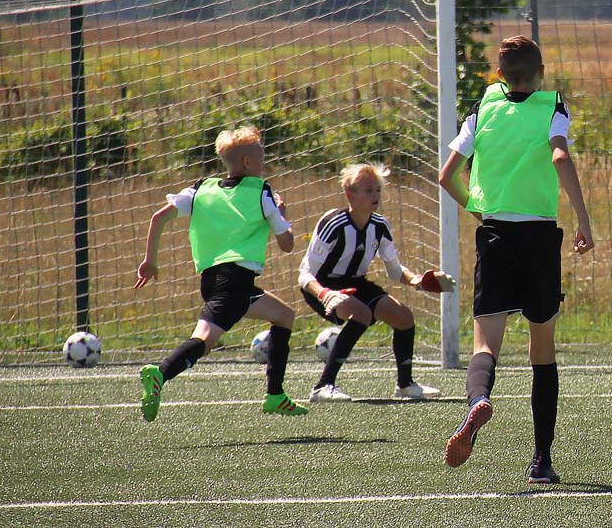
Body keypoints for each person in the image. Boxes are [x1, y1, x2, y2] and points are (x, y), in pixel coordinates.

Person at [437, 35, 594, 484]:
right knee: (541, 350)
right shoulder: (553, 105)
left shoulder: (483, 107)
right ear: (540, 73)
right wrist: (583, 220)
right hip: (540, 238)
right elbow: (560, 156)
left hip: (496, 236)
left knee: (485, 345)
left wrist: (478, 209)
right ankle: (541, 460)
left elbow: (446, 176)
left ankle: (478, 400)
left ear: (499, 75)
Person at [135, 126, 307, 422]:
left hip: (215, 280)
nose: (264, 163)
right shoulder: (262, 193)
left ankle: (275, 395)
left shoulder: (202, 188)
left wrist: (150, 261)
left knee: (284, 315)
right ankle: (160, 374)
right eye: (261, 157)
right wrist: (282, 213)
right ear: (247, 162)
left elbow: (158, 217)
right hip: (235, 284)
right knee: (203, 341)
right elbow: (287, 244)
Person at [297, 163, 450, 402]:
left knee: (403, 317)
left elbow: (395, 270)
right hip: (322, 286)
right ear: (349, 193)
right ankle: (323, 387)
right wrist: (326, 294)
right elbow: (305, 274)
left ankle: (405, 385)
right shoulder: (333, 224)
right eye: (368, 190)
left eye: (377, 190)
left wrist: (417, 280)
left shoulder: (380, 225)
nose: (375, 195)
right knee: (362, 315)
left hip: (356, 283)